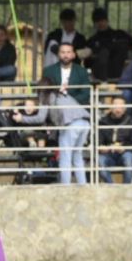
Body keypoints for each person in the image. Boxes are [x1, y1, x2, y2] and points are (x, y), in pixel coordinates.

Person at [42, 43, 92, 184]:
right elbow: (46, 93)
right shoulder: (48, 71)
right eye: (62, 52)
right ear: (58, 54)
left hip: (73, 119)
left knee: (68, 156)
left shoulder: (81, 71)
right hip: (64, 119)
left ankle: (67, 188)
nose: (65, 54)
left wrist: (67, 98)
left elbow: (86, 93)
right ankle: (82, 187)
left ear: (74, 54)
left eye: (68, 52)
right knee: (76, 156)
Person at [97, 97, 132, 184]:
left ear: (125, 109)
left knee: (128, 158)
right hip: (108, 154)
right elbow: (98, 141)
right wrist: (102, 147)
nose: (118, 109)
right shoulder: (103, 122)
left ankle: (125, 188)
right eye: (116, 106)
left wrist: (124, 148)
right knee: (99, 160)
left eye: (121, 107)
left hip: (125, 152)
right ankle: (113, 188)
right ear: (111, 107)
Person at [85, 7, 132, 81]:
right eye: (97, 21)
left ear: (107, 20)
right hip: (100, 78)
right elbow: (87, 63)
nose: (100, 23)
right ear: (94, 23)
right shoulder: (91, 41)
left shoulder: (120, 34)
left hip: (121, 75)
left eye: (102, 20)